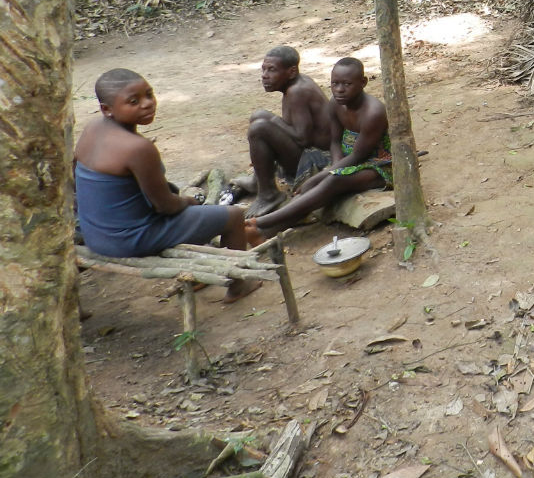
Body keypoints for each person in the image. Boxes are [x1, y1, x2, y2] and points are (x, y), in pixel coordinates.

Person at [75, 68, 259, 303]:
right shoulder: (138, 148)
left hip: (95, 234)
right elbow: (166, 207)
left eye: (149, 94)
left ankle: (201, 273)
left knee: (189, 211)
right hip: (127, 240)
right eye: (134, 101)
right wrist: (188, 201)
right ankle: (237, 288)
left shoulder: (92, 129)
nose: (147, 104)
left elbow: (79, 173)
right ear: (107, 109)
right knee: (232, 215)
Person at [246, 57, 392, 241]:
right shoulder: (335, 104)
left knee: (332, 183)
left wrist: (326, 174)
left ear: (363, 83)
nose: (339, 89)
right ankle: (263, 232)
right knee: (320, 186)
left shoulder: (373, 112)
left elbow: (358, 156)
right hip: (347, 160)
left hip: (377, 165)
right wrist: (335, 165)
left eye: (347, 84)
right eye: (335, 84)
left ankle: (261, 223)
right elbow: (335, 142)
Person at [238, 46, 332, 217]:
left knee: (258, 128)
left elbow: (303, 139)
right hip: (308, 151)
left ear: (291, 72)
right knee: (258, 116)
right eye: (264, 69)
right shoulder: (295, 85)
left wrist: (272, 121)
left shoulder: (297, 91)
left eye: (272, 70)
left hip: (319, 160)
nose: (264, 75)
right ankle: (258, 182)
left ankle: (269, 196)